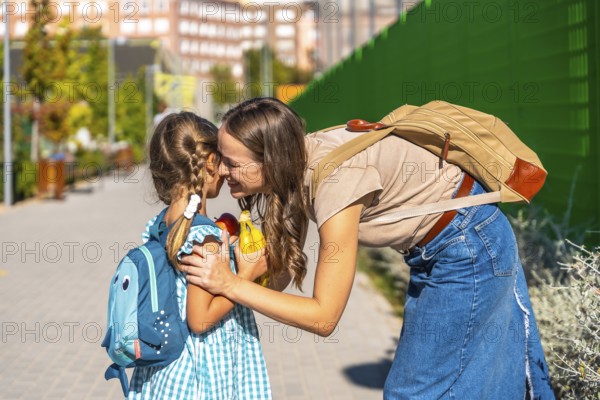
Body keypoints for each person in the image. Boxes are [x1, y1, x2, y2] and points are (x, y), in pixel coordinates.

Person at [180, 97, 556, 399]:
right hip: (453, 244)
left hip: (467, 247)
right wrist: (240, 270)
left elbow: (324, 317)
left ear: (269, 159)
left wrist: (231, 285)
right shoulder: (297, 162)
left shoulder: (333, 184)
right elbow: (277, 279)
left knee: (414, 393)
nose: (222, 173)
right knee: (504, 385)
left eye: (231, 163)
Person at [128, 111, 272, 399]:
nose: (228, 171)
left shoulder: (162, 224)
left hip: (166, 371)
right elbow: (200, 319)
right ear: (209, 163)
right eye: (224, 160)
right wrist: (247, 273)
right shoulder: (202, 235)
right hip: (200, 373)